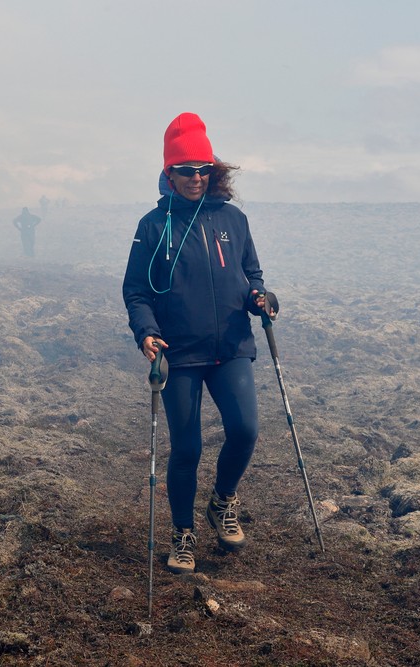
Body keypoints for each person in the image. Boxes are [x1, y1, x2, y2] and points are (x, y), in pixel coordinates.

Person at [122, 112, 278, 574]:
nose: (196, 178)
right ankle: (183, 534)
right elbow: (136, 291)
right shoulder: (154, 226)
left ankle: (223, 500)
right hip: (180, 354)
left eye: (203, 169)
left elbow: (252, 275)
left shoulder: (234, 219)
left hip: (232, 347)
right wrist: (146, 331)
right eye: (186, 170)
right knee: (187, 449)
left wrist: (261, 298)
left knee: (245, 431)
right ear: (169, 172)